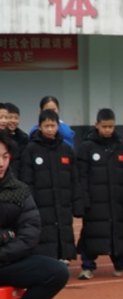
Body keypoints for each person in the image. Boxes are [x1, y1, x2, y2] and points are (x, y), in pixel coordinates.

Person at [0, 131, 70, 299]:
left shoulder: (18, 190)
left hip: (6, 262)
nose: (0, 163)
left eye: (4, 156)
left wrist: (4, 248)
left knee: (57, 272)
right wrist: (7, 234)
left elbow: (29, 233)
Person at [75, 109, 123, 279]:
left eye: (111, 126)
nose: (108, 130)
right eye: (104, 126)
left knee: (117, 232)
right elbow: (80, 177)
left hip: (116, 201)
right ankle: (88, 266)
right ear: (96, 125)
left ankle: (121, 264)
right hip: (94, 201)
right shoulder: (86, 148)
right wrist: (83, 199)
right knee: (91, 232)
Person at [20, 109, 82, 262]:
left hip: (62, 203)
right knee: (43, 235)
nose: (49, 129)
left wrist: (77, 201)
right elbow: (27, 180)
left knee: (63, 230)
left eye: (52, 125)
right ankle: (46, 262)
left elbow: (74, 179)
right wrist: (30, 203)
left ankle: (63, 258)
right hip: (41, 204)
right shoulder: (31, 149)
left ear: (57, 127)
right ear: (39, 127)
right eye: (46, 126)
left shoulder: (66, 149)